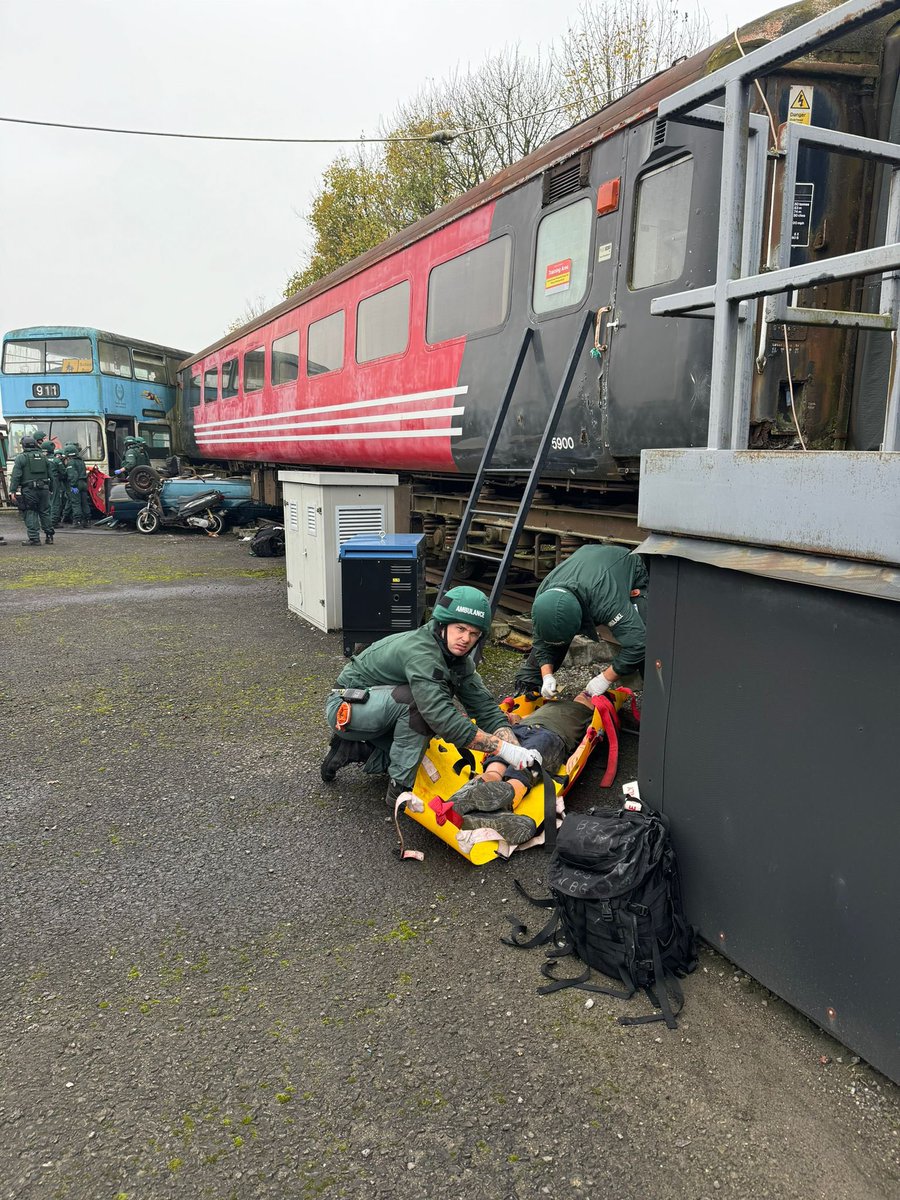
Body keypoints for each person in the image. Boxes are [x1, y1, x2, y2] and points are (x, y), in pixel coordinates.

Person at [321, 585, 541, 807]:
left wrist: (518, 750)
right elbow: (441, 717)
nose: (466, 639)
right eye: (460, 629)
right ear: (443, 624)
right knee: (421, 711)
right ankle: (399, 789)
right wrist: (501, 749)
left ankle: (355, 749)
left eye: (474, 634)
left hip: (379, 706)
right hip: (346, 706)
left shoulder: (457, 659)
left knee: (424, 744)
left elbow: (485, 709)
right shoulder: (422, 652)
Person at [451, 686, 598, 845]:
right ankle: (474, 794)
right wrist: (514, 718)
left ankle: (500, 806)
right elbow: (523, 716)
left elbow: (589, 740)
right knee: (497, 762)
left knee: (525, 767)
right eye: (586, 692)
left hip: (551, 735)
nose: (587, 694)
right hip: (520, 729)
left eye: (592, 697)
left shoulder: (589, 715)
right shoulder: (551, 703)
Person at [514, 545, 648, 700]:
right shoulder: (543, 601)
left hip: (625, 563)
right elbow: (542, 643)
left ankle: (659, 706)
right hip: (588, 566)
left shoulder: (605, 601)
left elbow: (639, 644)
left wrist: (605, 678)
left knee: (647, 641)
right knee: (551, 639)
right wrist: (547, 676)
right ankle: (527, 690)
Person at [9, 434, 54, 546]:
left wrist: (13, 491)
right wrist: (51, 489)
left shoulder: (21, 458)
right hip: (44, 489)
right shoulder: (44, 457)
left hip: (29, 490)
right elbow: (51, 475)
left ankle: (34, 538)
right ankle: (49, 536)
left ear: (24, 446)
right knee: (45, 512)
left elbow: (16, 476)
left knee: (31, 512)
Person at [64, 442, 92, 529]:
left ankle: (77, 522)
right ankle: (87, 521)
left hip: (76, 485)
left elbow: (73, 475)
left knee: (76, 503)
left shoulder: (71, 463)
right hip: (84, 483)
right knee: (84, 503)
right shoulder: (81, 461)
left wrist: (73, 486)